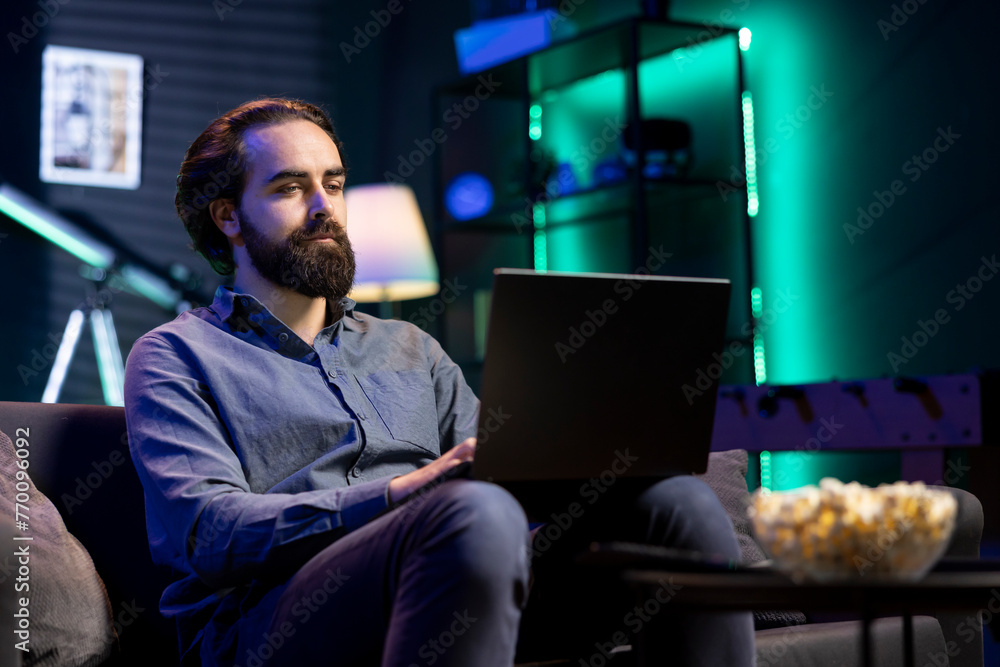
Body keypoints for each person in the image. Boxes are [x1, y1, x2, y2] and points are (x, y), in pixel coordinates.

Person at [124, 97, 754, 667]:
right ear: (228, 217)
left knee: (679, 503)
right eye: (291, 188)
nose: (324, 208)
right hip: (273, 618)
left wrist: (590, 467)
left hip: (461, 575)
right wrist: (406, 493)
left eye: (333, 185)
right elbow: (210, 534)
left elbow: (501, 471)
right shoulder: (175, 356)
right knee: (471, 510)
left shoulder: (410, 347)